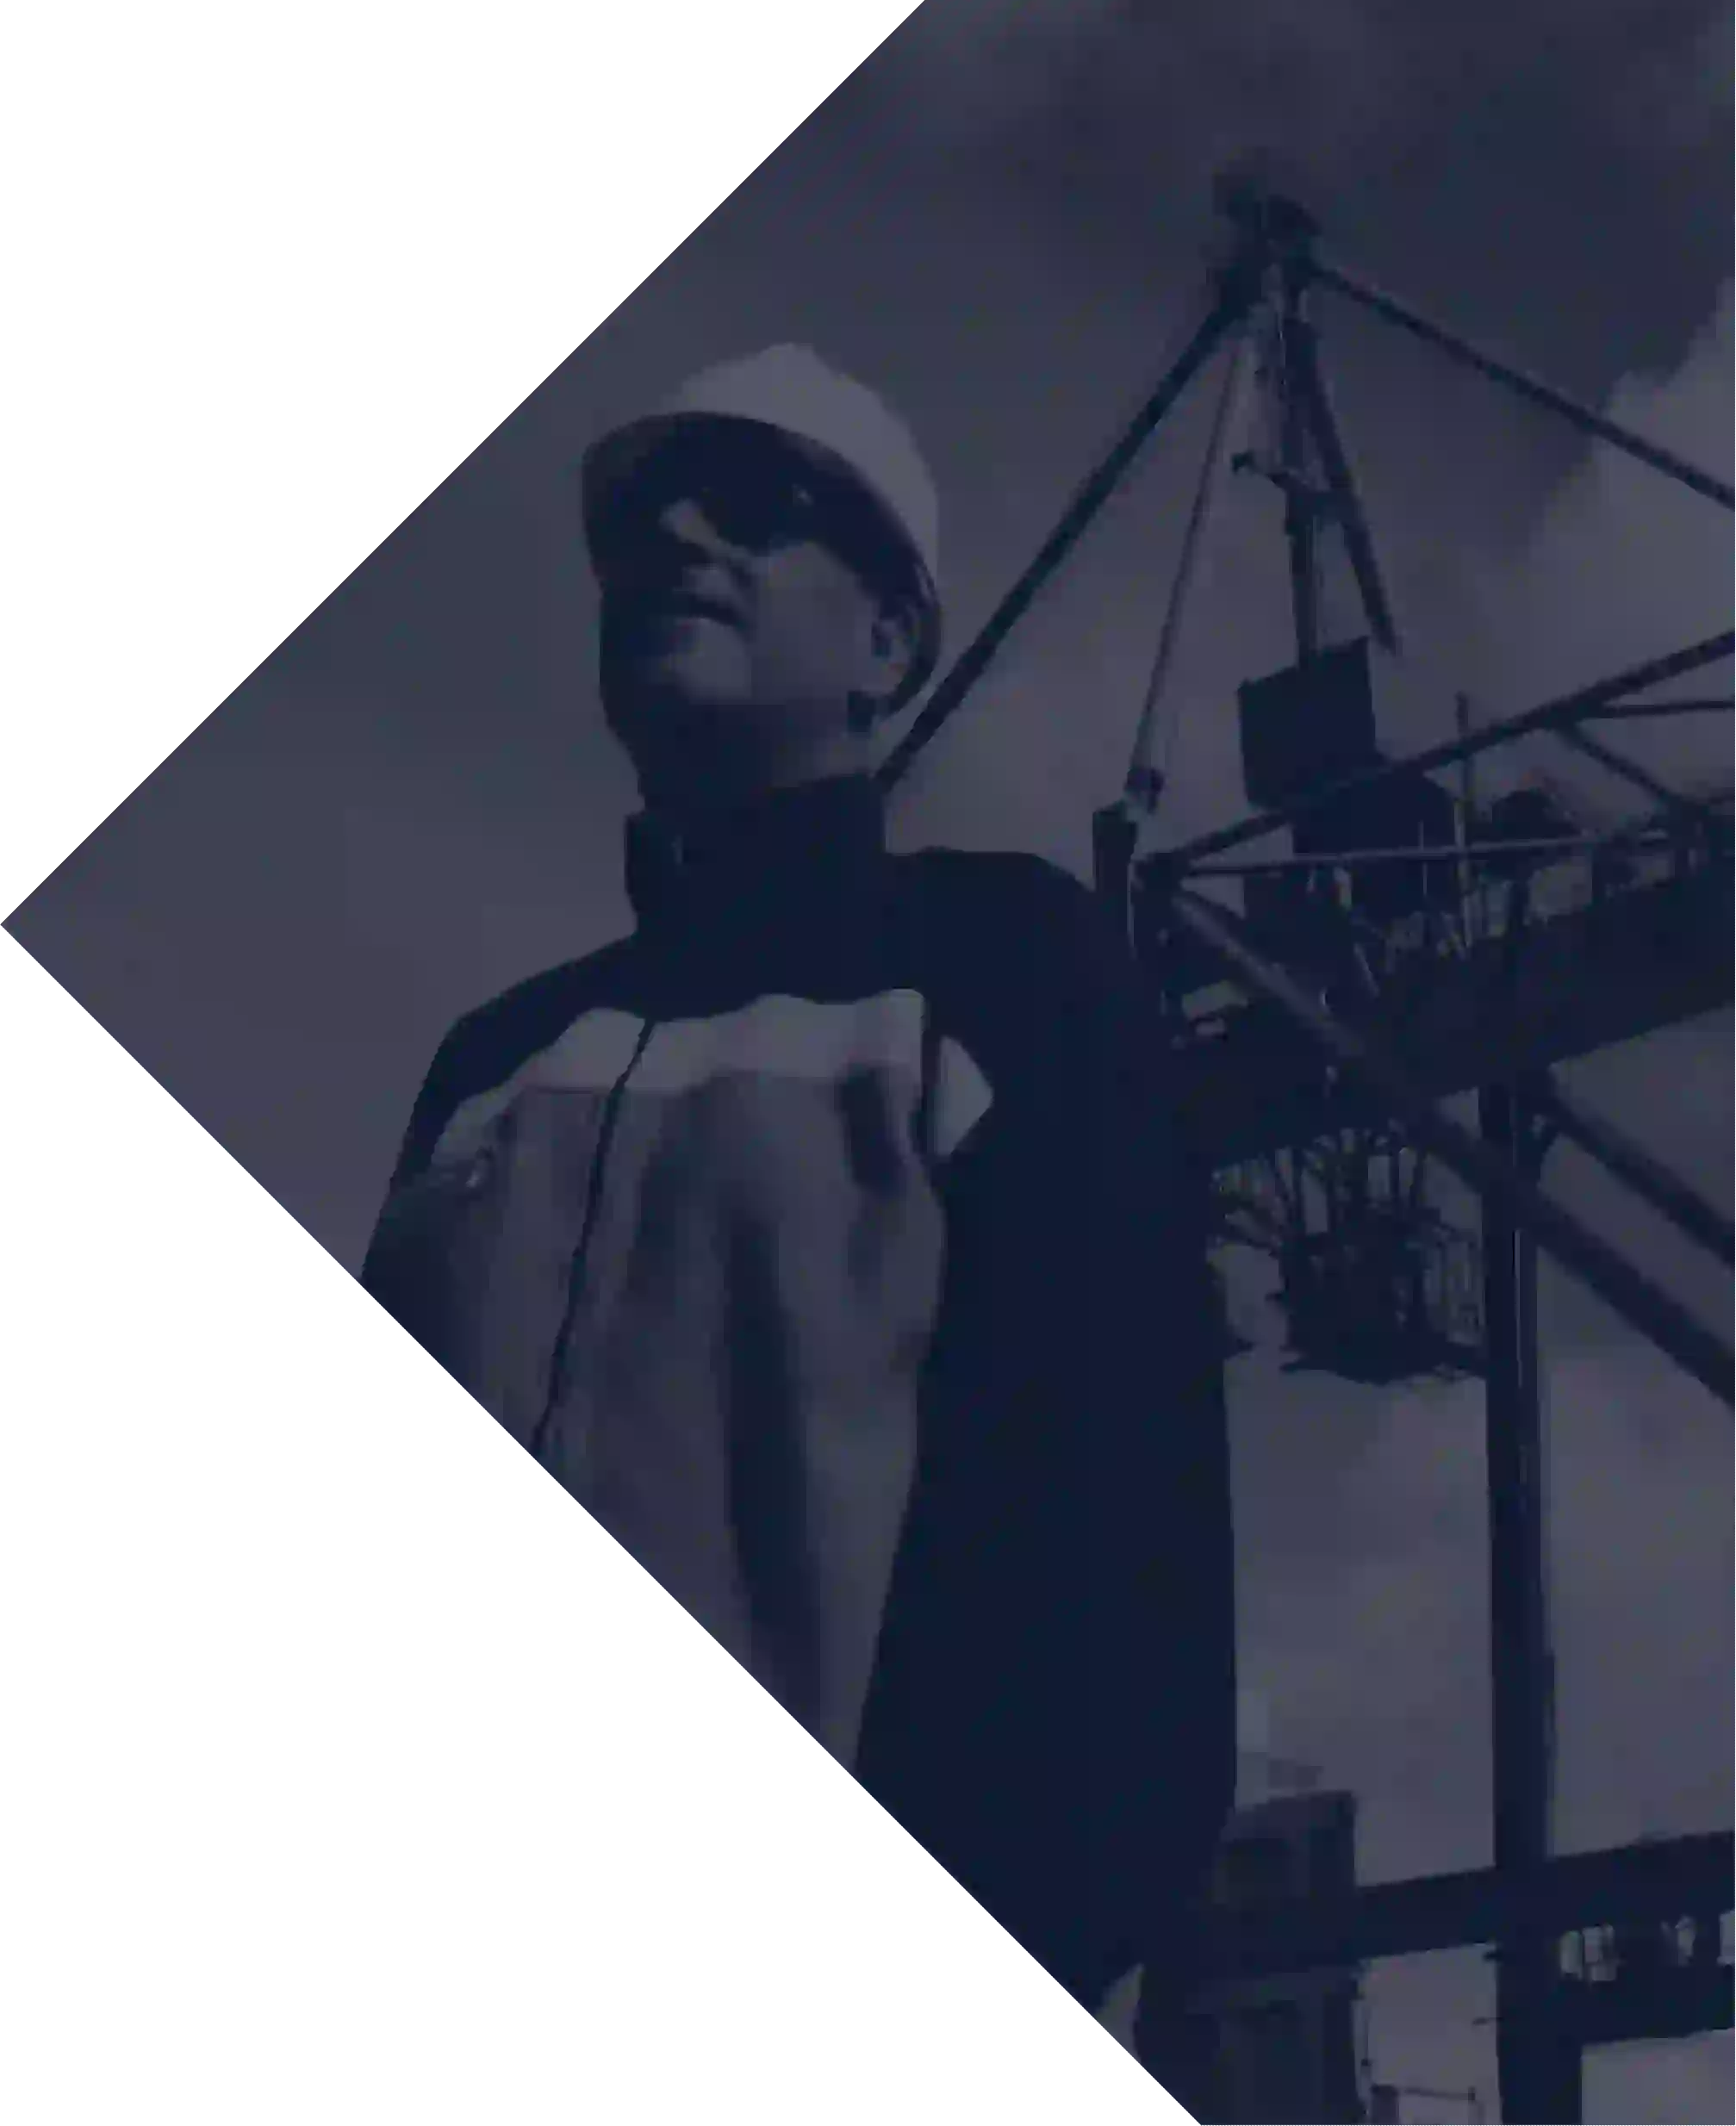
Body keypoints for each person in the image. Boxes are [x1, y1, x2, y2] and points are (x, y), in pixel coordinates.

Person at [361, 345, 1237, 2049]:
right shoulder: (490, 1059)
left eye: (761, 507)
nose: (681, 535)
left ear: (892, 647)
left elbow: (1112, 1623)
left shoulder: (1003, 977)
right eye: (641, 528)